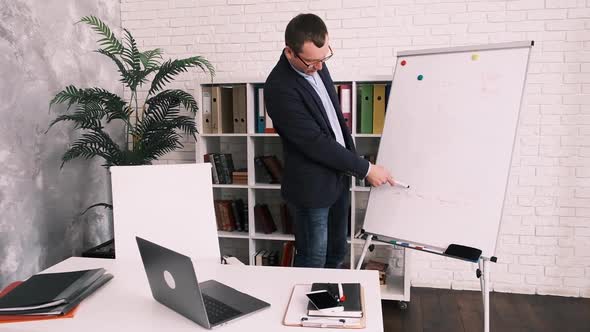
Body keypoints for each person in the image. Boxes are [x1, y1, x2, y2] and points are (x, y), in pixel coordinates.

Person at [264, 13, 395, 269]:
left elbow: (335, 120)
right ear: (289, 52)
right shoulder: (279, 88)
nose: (320, 67)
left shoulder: (317, 64)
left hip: (337, 179)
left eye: (324, 58)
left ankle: (329, 306)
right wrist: (365, 169)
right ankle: (306, 307)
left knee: (336, 254)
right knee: (313, 259)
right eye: (312, 62)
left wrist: (351, 166)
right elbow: (315, 142)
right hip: (311, 190)